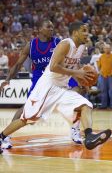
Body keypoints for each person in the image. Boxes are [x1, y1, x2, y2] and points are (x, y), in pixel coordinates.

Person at [0, 21, 112, 154]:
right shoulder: (65, 44)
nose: (87, 34)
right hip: (47, 86)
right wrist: (77, 73)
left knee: (85, 104)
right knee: (27, 119)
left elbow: (73, 66)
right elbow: (53, 67)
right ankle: (2, 137)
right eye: (84, 30)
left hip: (61, 87)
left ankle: (89, 137)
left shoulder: (81, 47)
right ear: (75, 32)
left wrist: (82, 81)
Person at [0, 20, 80, 149]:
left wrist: (78, 74)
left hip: (58, 76)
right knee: (26, 110)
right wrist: (7, 79)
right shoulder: (30, 46)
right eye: (48, 26)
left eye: (52, 26)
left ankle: (75, 128)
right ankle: (6, 136)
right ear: (39, 30)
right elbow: (18, 65)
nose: (51, 28)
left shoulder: (58, 42)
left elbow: (71, 60)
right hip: (40, 79)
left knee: (77, 91)